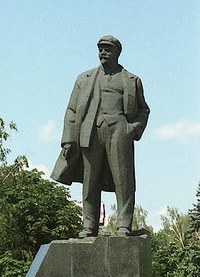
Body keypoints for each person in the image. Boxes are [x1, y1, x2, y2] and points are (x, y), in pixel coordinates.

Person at [51, 35, 150, 238]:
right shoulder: (84, 78)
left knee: (124, 180)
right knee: (90, 181)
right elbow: (71, 110)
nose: (103, 53)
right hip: (91, 132)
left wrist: (132, 129)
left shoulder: (131, 80)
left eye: (107, 50)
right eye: (100, 49)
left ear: (117, 53)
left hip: (119, 131)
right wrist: (69, 138)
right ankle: (89, 225)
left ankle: (123, 224)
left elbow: (143, 110)